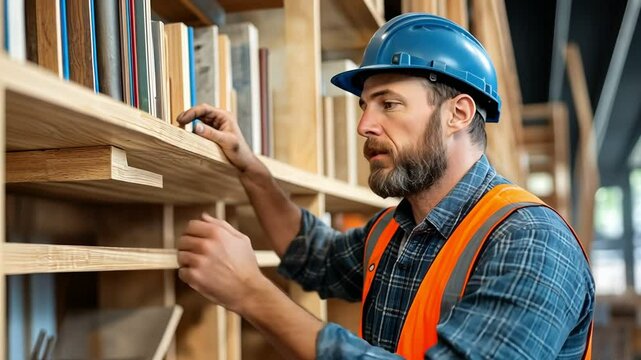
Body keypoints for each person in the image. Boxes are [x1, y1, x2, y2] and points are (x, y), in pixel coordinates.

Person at [175, 13, 594, 360]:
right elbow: (313, 255)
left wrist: (251, 293)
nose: (363, 126)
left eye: (389, 104)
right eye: (364, 106)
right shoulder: (396, 229)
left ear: (459, 114)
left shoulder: (531, 242)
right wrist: (252, 169)